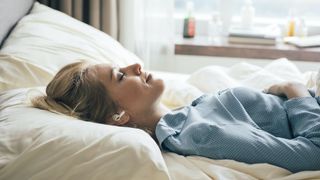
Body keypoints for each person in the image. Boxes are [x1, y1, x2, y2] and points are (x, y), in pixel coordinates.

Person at [32, 61, 320, 173]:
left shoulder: (188, 115)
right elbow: (313, 153)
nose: (134, 65)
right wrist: (294, 91)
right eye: (120, 76)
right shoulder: (201, 134)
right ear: (117, 116)